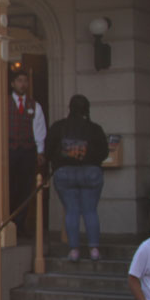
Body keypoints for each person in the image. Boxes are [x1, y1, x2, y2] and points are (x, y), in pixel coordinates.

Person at [45, 95, 109, 262]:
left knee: (71, 211)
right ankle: (94, 249)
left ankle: (74, 250)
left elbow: (48, 150)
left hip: (64, 173)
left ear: (70, 108)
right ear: (86, 109)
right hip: (91, 173)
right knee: (90, 211)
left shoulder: (59, 127)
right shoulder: (94, 128)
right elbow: (104, 152)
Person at [8, 70, 46, 235]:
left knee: (25, 188)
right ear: (13, 84)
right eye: (19, 81)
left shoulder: (34, 105)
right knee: (9, 186)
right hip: (9, 150)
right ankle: (7, 221)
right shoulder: (3, 103)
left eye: (25, 81)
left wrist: (40, 151)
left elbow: (39, 129)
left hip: (27, 151)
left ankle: (20, 224)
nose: (22, 84)